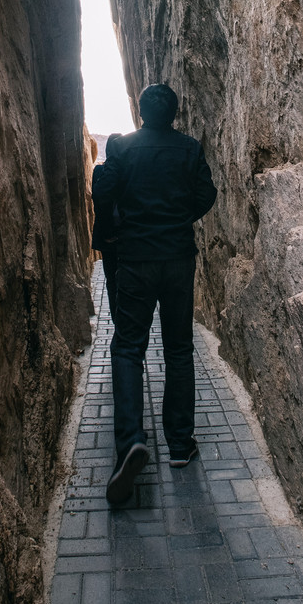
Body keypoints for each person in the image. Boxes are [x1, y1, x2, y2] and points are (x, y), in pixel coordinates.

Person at [93, 83, 217, 505]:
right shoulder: (189, 148)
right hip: (178, 258)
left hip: (135, 259)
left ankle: (130, 442)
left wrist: (133, 215)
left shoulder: (123, 148)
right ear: (175, 112)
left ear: (142, 112)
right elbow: (207, 195)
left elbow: (104, 190)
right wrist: (177, 218)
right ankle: (180, 445)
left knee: (129, 347)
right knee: (179, 349)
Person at [91, 132, 123, 321]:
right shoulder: (101, 172)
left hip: (111, 236)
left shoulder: (100, 172)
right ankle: (121, 319)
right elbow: (100, 199)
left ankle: (120, 319)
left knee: (113, 280)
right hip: (116, 235)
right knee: (116, 280)